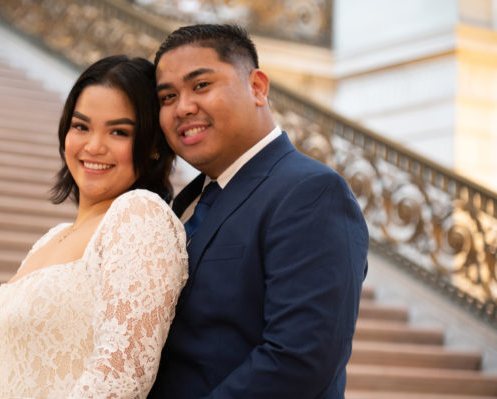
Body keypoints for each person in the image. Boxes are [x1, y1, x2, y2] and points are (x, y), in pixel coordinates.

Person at [148, 24, 369, 399]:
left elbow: (299, 359)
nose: (182, 107)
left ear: (257, 87)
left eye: (201, 85)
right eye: (168, 97)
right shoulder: (182, 203)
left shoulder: (311, 192)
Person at [0, 55, 188, 399]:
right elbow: (2, 369)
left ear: (151, 147)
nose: (94, 146)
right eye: (81, 126)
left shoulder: (139, 215)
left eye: (119, 131)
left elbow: (120, 377)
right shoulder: (50, 238)